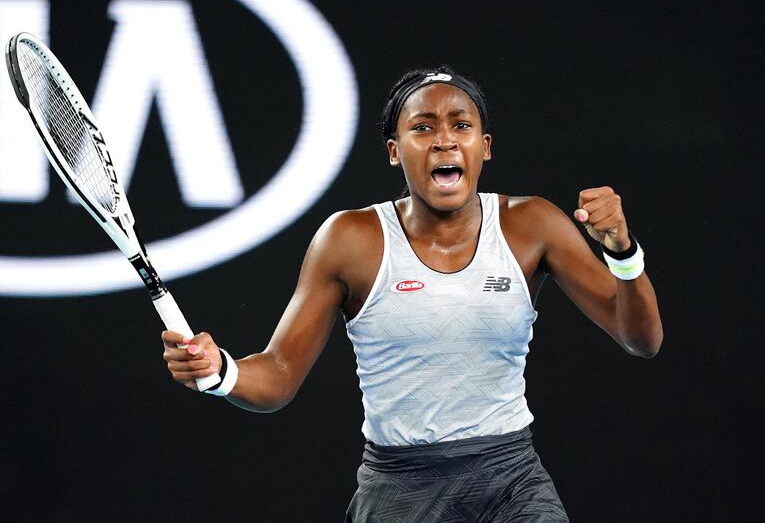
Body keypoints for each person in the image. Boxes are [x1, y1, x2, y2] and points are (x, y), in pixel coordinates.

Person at [162, 66, 663, 522]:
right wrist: (220, 372)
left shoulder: (533, 224)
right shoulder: (350, 239)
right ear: (394, 150)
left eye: (460, 125)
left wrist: (622, 252)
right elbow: (278, 376)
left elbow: (641, 339)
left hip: (512, 482)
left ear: (484, 146)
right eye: (423, 127)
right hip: (400, 489)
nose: (444, 141)